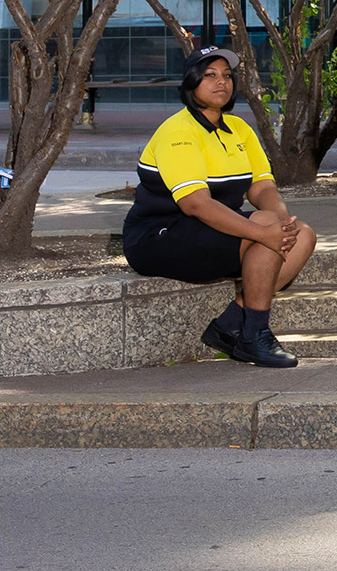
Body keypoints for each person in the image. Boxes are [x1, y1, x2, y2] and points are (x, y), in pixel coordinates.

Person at [123, 48, 317, 368]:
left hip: (209, 229)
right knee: (265, 235)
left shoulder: (239, 129)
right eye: (210, 75)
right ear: (191, 82)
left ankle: (230, 324)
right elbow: (196, 204)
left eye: (227, 76)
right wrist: (264, 234)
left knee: (303, 234)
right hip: (158, 235)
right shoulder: (178, 131)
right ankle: (254, 336)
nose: (221, 82)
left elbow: (262, 187)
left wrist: (282, 224)